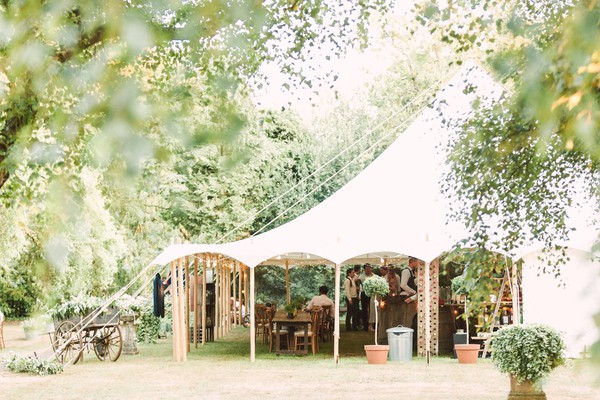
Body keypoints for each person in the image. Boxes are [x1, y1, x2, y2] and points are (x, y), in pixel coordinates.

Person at [400, 256, 419, 351]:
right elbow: (403, 284)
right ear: (413, 262)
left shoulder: (412, 272)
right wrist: (413, 292)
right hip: (407, 297)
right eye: (417, 262)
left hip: (413, 299)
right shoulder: (406, 271)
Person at [359, 263, 375, 331]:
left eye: (369, 268)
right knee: (364, 309)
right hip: (364, 293)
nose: (368, 270)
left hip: (371, 293)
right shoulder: (361, 276)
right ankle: (365, 325)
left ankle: (372, 324)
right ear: (364, 269)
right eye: (367, 268)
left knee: (372, 308)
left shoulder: (374, 276)